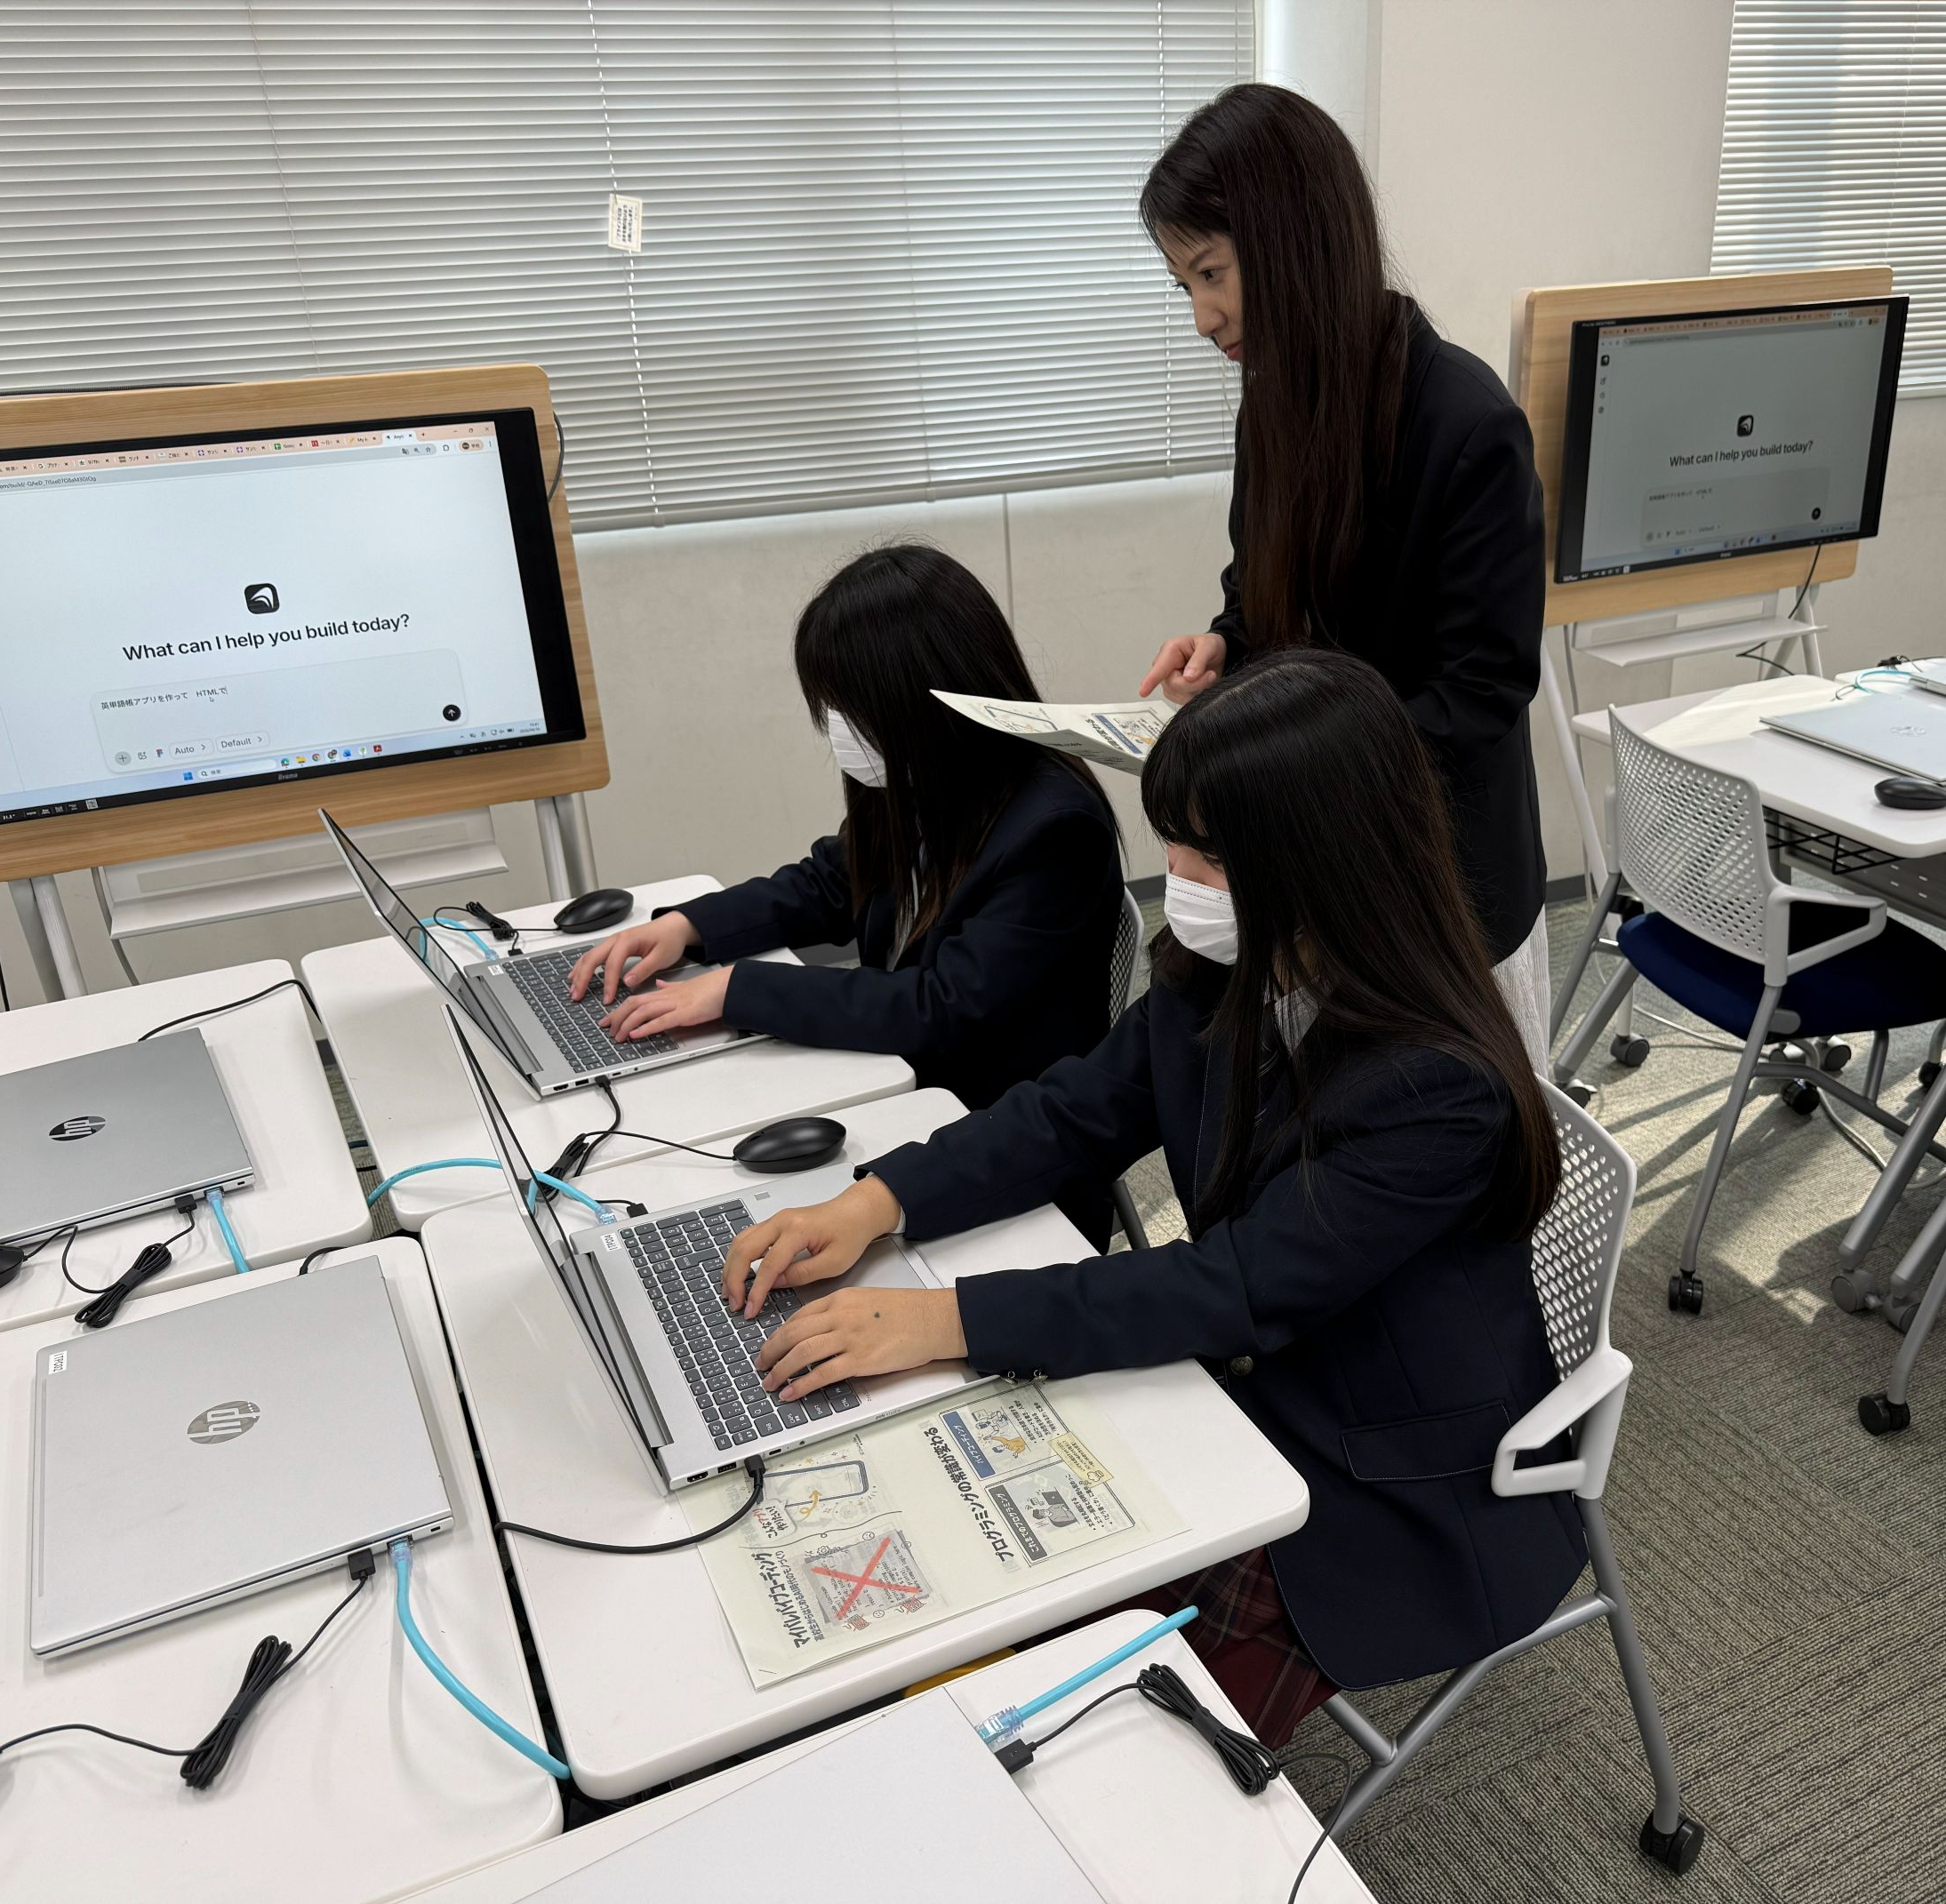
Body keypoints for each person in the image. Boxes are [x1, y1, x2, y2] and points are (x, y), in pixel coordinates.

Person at [717, 649, 1583, 1748]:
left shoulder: (1434, 1087)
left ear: (1324, 858)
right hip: (1244, 1384)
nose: (1176, 875)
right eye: (1171, 838)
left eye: (1208, 853)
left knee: (1067, 1722)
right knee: (956, 1590)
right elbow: (1072, 1110)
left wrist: (947, 1320)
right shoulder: (1233, 966)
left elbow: (1233, 1285)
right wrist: (878, 1201)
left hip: (1386, 1483)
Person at [1133, 83, 1555, 1038]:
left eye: (1211, 273)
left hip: (1441, 886)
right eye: (1185, 286)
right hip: (1315, 865)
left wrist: (1303, 764)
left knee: (1444, 1122)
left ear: (1293, 237)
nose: (1203, 317)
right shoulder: (1274, 403)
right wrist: (1226, 646)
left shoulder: (1466, 423)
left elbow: (1479, 695)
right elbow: (1260, 594)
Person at [568, 542, 1125, 1129]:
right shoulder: (928, 772)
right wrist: (688, 926)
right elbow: (832, 881)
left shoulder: (1055, 829)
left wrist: (739, 989)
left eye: (851, 707)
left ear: (919, 704)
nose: (837, 727)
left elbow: (945, 1007)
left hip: (992, 1117)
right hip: (905, 1072)